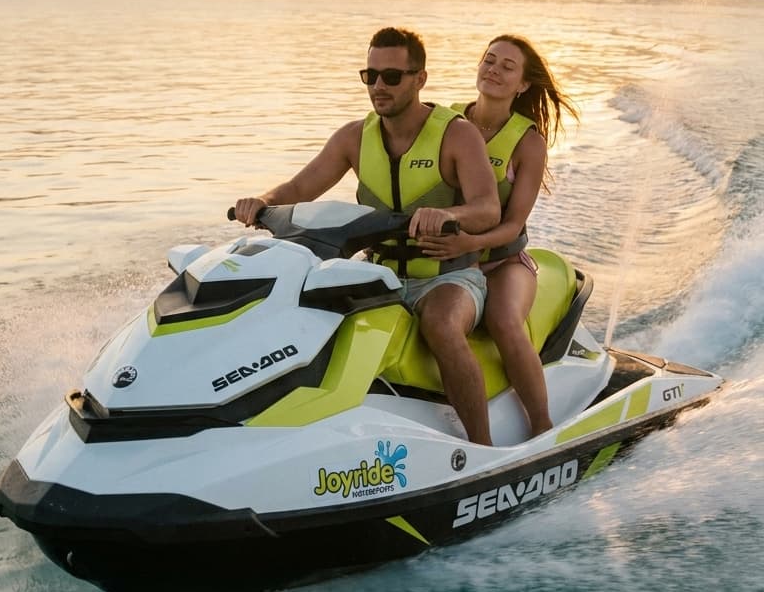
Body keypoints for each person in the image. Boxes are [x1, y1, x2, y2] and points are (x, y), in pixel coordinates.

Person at [234, 27, 501, 444]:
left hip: (448, 276)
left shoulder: (457, 134)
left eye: (391, 77)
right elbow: (298, 190)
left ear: (420, 79)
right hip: (379, 277)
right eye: (369, 75)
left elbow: (488, 208)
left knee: (441, 324)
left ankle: (484, 448)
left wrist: (445, 213)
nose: (378, 86)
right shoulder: (354, 138)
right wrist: (261, 201)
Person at [418, 35, 578, 437]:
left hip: (503, 260)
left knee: (504, 322)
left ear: (523, 84)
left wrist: (469, 245)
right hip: (446, 262)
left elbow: (513, 224)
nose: (493, 69)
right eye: (489, 60)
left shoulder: (528, 142)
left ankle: (541, 427)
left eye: (508, 66)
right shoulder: (444, 122)